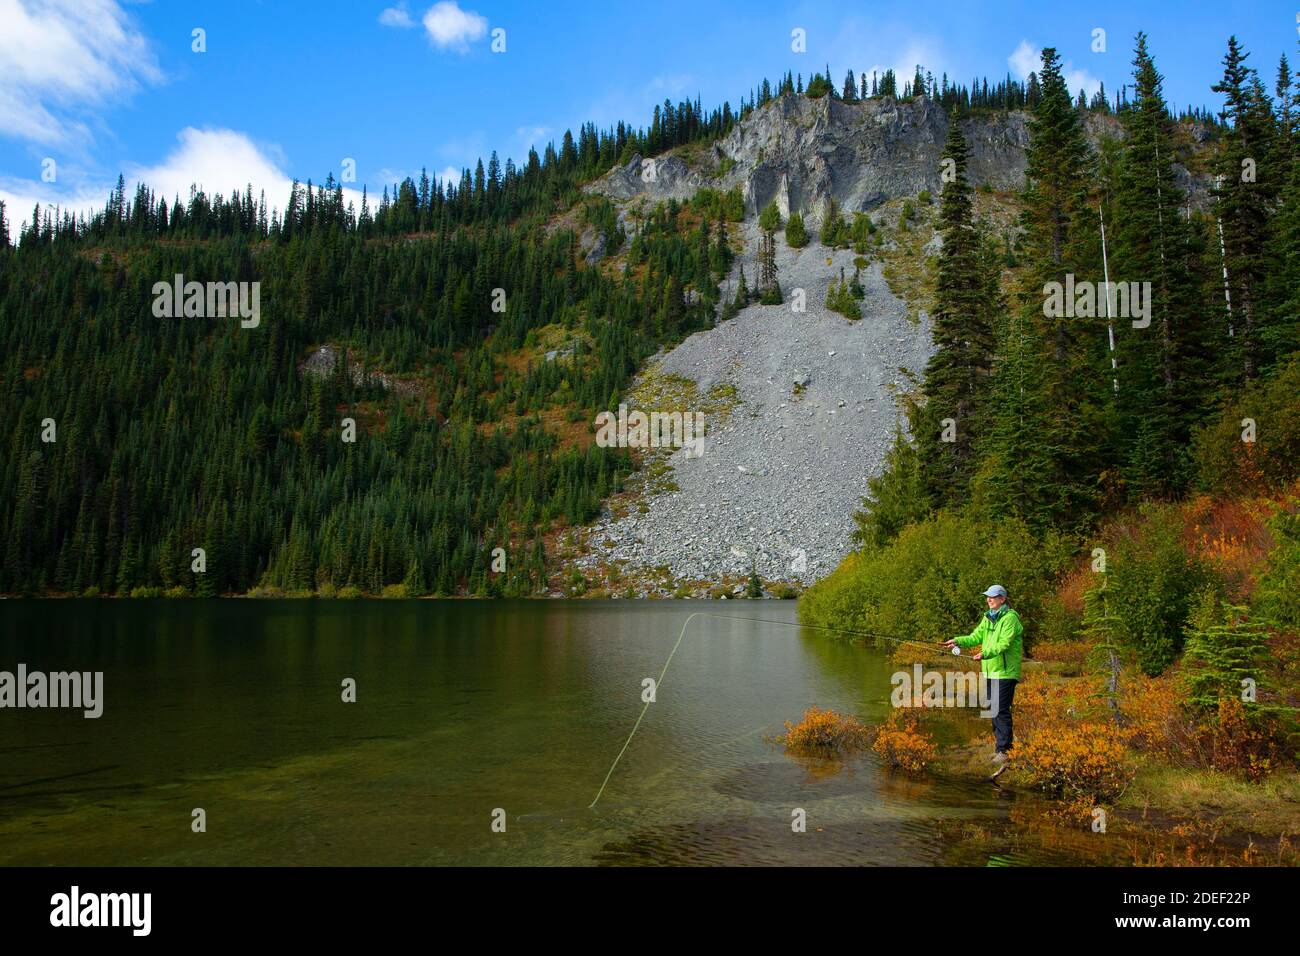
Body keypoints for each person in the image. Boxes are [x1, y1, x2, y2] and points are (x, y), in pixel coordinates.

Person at [943, 585, 1023, 778]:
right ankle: (999, 748)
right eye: (987, 597)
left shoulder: (1010, 618)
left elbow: (1004, 643)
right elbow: (974, 637)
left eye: (993, 597)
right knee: (992, 708)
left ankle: (1004, 752)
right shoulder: (988, 617)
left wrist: (985, 653)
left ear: (1002, 599)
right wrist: (957, 641)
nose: (989, 600)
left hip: (1005, 672)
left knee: (1000, 710)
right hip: (991, 671)